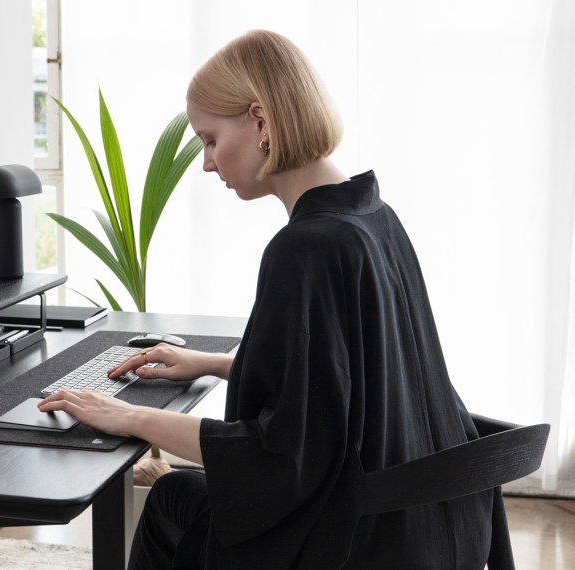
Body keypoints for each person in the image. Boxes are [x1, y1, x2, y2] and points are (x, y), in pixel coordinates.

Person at [38, 29, 496, 568]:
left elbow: (279, 455)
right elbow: (341, 384)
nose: (207, 163)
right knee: (184, 495)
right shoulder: (373, 217)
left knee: (170, 498)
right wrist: (211, 364)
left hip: (354, 544)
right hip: (438, 528)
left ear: (260, 121)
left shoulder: (306, 248)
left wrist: (129, 418)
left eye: (209, 140)